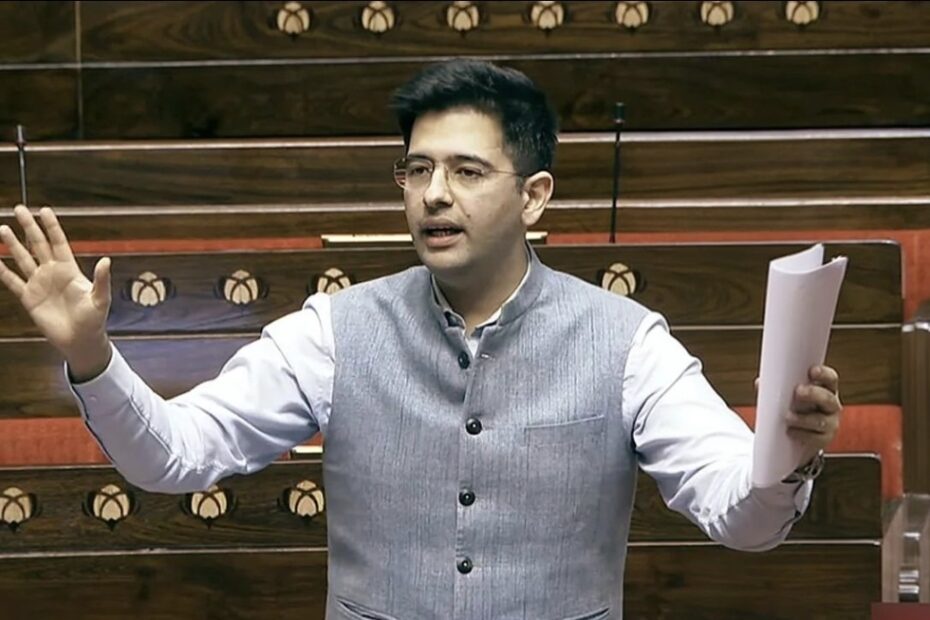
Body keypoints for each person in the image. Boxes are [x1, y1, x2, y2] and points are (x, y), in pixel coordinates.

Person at [0, 59, 841, 619]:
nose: (434, 194)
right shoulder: (335, 331)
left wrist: (787, 456)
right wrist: (91, 356)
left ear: (534, 196)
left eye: (467, 171)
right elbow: (174, 457)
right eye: (417, 169)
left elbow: (743, 519)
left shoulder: (629, 343)